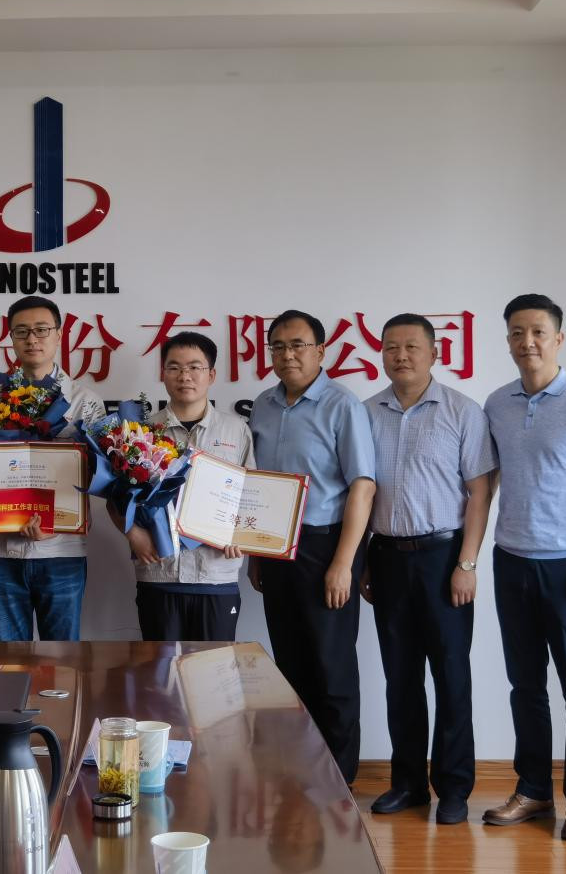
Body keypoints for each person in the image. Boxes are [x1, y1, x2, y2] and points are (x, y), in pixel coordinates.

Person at [481, 293, 566, 842]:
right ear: (508, 340)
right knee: (525, 685)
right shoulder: (497, 403)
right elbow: (486, 483)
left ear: (558, 339)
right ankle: (533, 790)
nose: (527, 342)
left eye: (538, 332)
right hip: (510, 560)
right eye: (517, 333)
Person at [359, 313, 496, 825]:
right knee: (400, 677)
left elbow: (480, 492)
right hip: (386, 556)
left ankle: (454, 788)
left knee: (451, 675)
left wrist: (467, 563)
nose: (401, 356)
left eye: (412, 346)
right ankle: (408, 784)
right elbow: (361, 491)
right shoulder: (366, 413)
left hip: (444, 558)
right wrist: (363, 559)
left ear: (435, 353)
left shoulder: (462, 411)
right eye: (391, 347)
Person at [248, 309, 376, 785]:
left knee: (331, 668)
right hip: (276, 549)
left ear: (321, 350)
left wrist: (344, 563)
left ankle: (339, 783)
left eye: (298, 345)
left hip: (326, 547)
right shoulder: (263, 405)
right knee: (291, 667)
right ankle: (301, 775)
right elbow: (257, 484)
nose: (287, 355)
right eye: (278, 346)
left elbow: (363, 486)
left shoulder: (342, 405)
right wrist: (257, 553)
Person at [0, 295, 105, 641]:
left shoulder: (85, 402)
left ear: (59, 335)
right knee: (6, 660)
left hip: (61, 550)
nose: (32, 339)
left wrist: (56, 520)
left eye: (41, 330)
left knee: (62, 659)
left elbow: (99, 475)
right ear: (11, 338)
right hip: (0, 549)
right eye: (21, 331)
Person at [112, 332, 254, 640]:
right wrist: (133, 534)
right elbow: (116, 496)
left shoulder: (236, 430)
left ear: (211, 375)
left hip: (216, 574)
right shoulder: (142, 432)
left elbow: (250, 495)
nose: (184, 376)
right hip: (159, 572)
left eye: (194, 367)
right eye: (174, 367)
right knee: (160, 668)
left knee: (215, 667)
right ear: (163, 374)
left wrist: (241, 536)